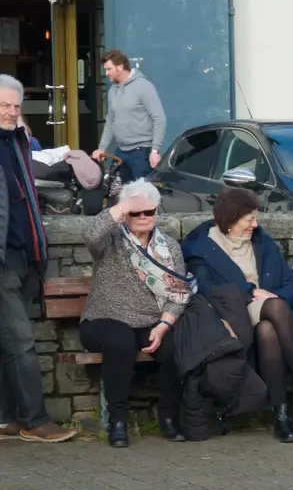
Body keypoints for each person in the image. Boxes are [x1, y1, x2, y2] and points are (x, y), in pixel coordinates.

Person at [182, 188, 293, 443]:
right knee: (275, 308)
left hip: (271, 315)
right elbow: (206, 290)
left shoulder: (262, 243)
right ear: (231, 220)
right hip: (234, 315)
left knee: (268, 329)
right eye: (249, 220)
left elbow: (291, 285)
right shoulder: (203, 248)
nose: (255, 225)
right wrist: (249, 292)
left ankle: (282, 417)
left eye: (255, 219)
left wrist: (269, 294)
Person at [78, 180, 186, 448]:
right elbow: (91, 234)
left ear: (156, 212)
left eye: (147, 212)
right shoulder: (111, 242)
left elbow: (178, 294)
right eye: (135, 213)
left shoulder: (169, 247)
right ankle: (117, 420)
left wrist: (163, 325)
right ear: (125, 214)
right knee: (121, 342)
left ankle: (170, 416)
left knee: (174, 346)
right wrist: (125, 203)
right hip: (105, 318)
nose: (142, 217)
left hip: (151, 320)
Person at [0, 77, 75, 442]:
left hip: (24, 255)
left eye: (16, 106)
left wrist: (37, 253)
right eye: (4, 106)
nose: (11, 112)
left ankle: (5, 419)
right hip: (2, 261)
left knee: (7, 341)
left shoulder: (17, 142)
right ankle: (35, 420)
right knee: (20, 341)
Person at [90, 50, 166, 181]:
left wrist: (155, 151)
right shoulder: (113, 90)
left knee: (142, 197)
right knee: (117, 194)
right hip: (121, 152)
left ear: (119, 67)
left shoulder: (144, 86)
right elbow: (110, 121)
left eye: (109, 69)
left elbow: (159, 119)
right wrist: (102, 148)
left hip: (142, 152)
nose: (106, 73)